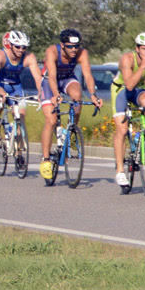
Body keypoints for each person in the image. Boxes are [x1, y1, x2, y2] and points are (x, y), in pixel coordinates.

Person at [39, 28, 102, 180]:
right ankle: (46, 159)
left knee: (77, 95)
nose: (74, 50)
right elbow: (52, 76)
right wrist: (56, 95)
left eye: (76, 46)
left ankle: (71, 130)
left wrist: (93, 95)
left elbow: (87, 75)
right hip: (49, 82)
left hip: (67, 78)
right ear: (62, 45)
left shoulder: (82, 53)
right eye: (70, 46)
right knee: (51, 120)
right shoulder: (52, 51)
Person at [111, 32, 145, 187]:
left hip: (137, 89)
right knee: (121, 130)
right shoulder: (127, 59)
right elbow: (129, 85)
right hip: (121, 90)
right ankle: (120, 171)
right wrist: (142, 66)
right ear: (137, 49)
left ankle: (143, 135)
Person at [0, 30, 47, 146]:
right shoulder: (0, 55)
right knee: (1, 98)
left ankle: (19, 154)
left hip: (16, 87)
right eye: (18, 46)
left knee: (21, 117)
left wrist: (41, 92)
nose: (21, 50)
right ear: (11, 45)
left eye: (24, 47)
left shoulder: (29, 57)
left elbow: (37, 77)